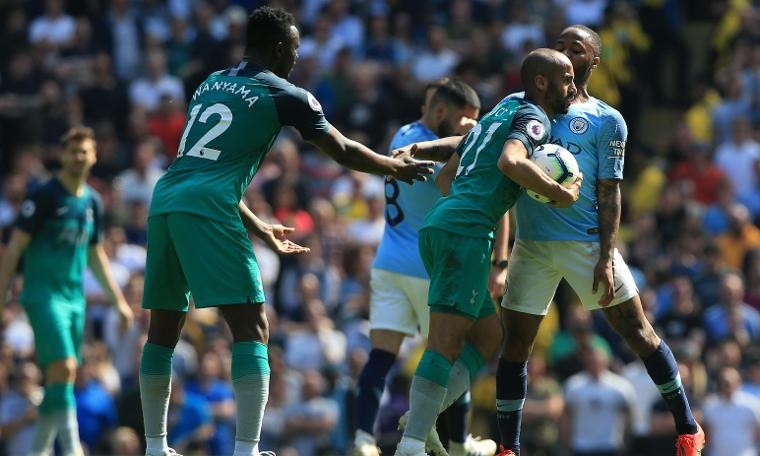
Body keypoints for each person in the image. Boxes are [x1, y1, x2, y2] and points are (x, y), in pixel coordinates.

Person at [138, 6, 434, 456]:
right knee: (252, 324)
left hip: (166, 199)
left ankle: (155, 448)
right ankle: (247, 449)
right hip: (207, 207)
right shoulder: (286, 94)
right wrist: (392, 165)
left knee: (163, 327)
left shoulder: (210, 83)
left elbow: (204, 168)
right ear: (278, 47)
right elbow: (342, 149)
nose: (296, 57)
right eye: (294, 48)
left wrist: (258, 225)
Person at [493, 26, 705, 456]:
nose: (567, 54)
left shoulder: (607, 120)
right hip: (531, 245)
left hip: (586, 242)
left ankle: (687, 428)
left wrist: (607, 257)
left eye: (577, 49)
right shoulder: (521, 107)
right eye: (560, 47)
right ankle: (508, 448)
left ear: (594, 62)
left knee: (638, 333)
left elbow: (609, 191)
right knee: (516, 345)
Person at [392, 48, 581, 456]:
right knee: (444, 342)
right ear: (542, 83)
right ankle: (409, 445)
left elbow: (451, 170)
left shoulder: (505, 107)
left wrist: (427, 152)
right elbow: (512, 161)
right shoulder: (534, 118)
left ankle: (421, 418)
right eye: (566, 78)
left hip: (445, 223)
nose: (573, 85)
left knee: (489, 335)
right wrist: (558, 193)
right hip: (465, 235)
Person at [352, 77, 499, 456]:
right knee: (451, 349)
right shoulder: (434, 150)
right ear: (442, 111)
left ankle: (363, 439)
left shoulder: (402, 134)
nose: (470, 126)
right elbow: (470, 190)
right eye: (466, 119)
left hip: (388, 262)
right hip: (428, 265)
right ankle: (457, 441)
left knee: (382, 356)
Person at [0, 126, 134, 456]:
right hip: (42, 295)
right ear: (62, 155)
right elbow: (15, 247)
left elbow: (95, 255)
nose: (78, 157)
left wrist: (120, 303)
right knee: (67, 367)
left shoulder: (92, 202)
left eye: (84, 151)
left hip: (74, 299)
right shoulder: (43, 195)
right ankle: (72, 447)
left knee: (62, 378)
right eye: (72, 151)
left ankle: (40, 450)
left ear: (94, 156)